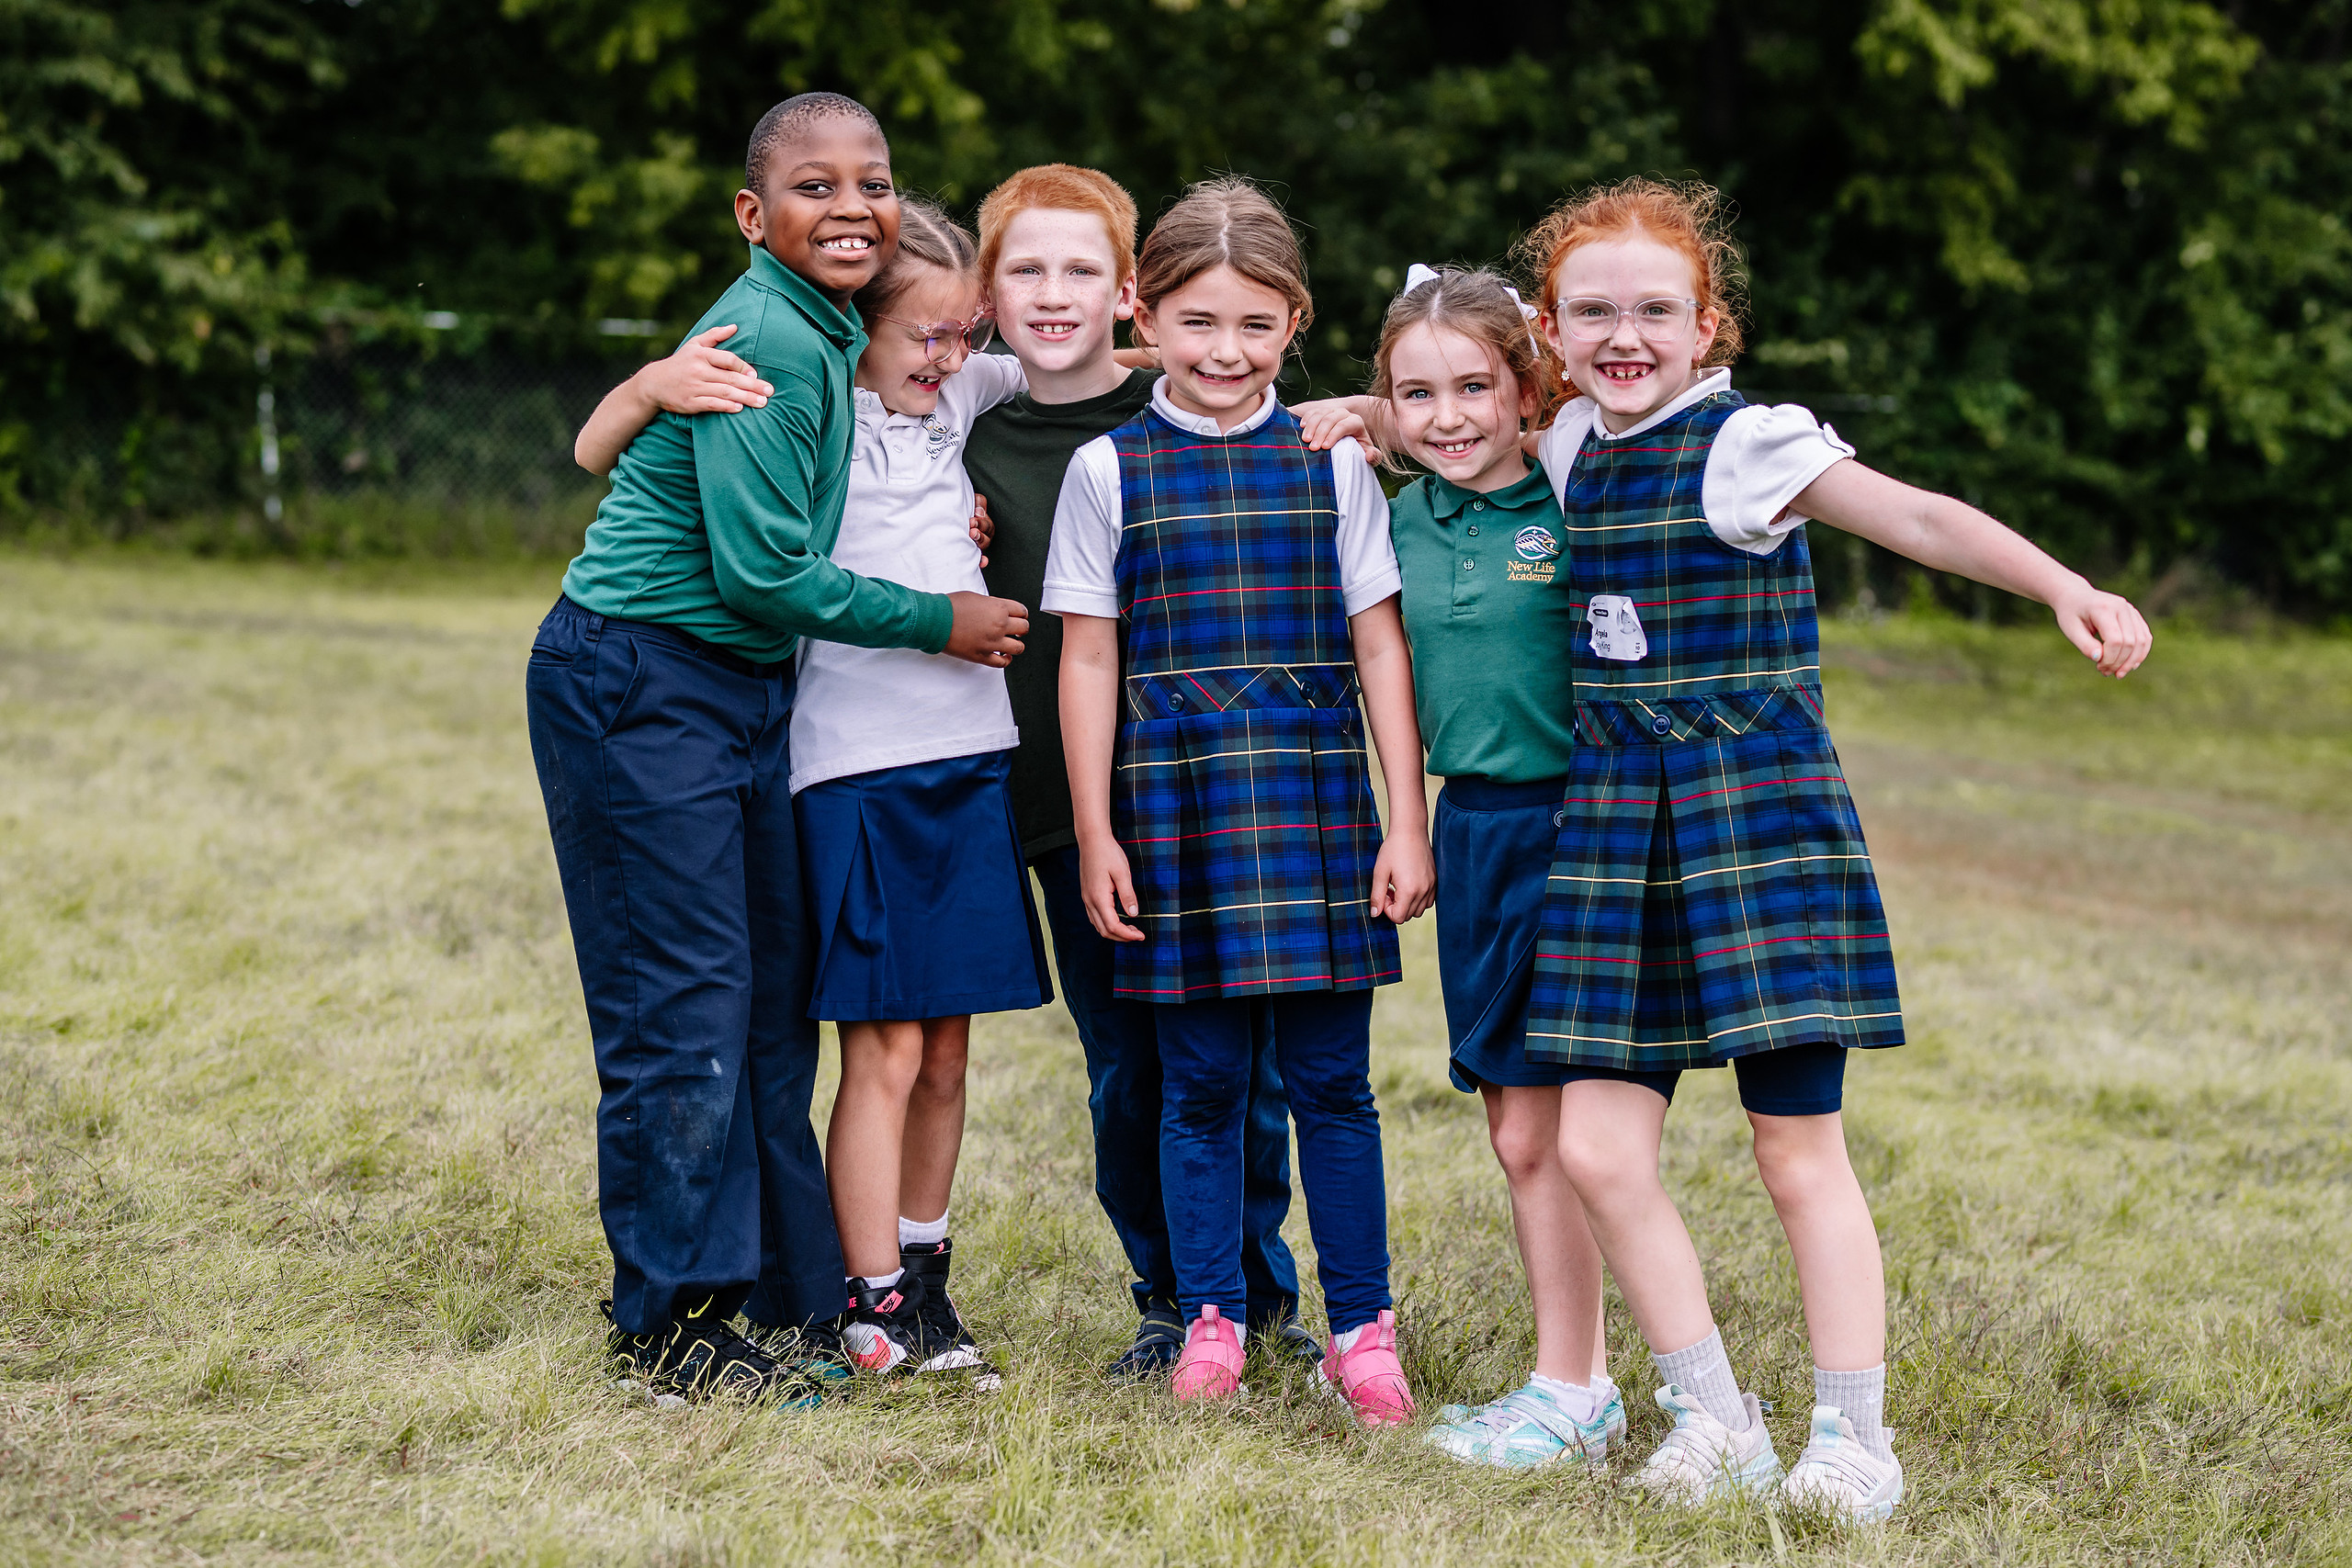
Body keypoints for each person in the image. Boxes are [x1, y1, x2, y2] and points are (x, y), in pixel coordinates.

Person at [1516, 177, 2152, 1517]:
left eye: (1655, 311)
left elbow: (1915, 516)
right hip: (1617, 831)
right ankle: (1713, 1419)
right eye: (1593, 312)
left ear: (1709, 329)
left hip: (1755, 828)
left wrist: (2064, 587)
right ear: (1551, 332)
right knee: (1597, 1151)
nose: (1623, 334)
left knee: (1794, 1150)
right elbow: (1433, 406)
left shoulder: (1749, 445)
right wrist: (1341, 419)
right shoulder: (1568, 439)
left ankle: (1854, 1440)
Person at [526, 92, 1030, 1404]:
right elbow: (760, 573)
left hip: (745, 696)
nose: (853, 205)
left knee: (763, 1012)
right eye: (816, 186)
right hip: (644, 679)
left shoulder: (828, 331)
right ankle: (670, 1323)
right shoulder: (765, 334)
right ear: (756, 214)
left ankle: (784, 1285)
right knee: (681, 1008)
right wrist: (943, 619)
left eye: (875, 180)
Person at [1045, 178, 1436, 1425]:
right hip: (1176, 811)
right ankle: (1210, 1315)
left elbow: (1381, 645)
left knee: (1333, 1084)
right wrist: (1098, 828)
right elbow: (1090, 656)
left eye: (1257, 328)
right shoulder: (1106, 470)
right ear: (1141, 315)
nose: (1227, 352)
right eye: (1199, 323)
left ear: (1294, 324)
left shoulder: (1330, 466)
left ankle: (1363, 1328)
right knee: (1199, 1084)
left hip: (1316, 805)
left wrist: (1406, 818)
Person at [961, 164, 1317, 1377]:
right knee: (1128, 1063)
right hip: (1068, 806)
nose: (1051, 295)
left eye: (1079, 271)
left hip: (1217, 792)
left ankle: (1260, 1295)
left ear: (1130, 295)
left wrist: (1362, 412)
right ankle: (1168, 1296)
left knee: (1242, 1059)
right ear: (987, 291)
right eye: (1024, 269)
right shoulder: (965, 427)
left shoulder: (1188, 405)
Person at [1295, 265, 1624, 1466]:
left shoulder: (1571, 479)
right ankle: (1575, 1383)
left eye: (1475, 387)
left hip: (1589, 826)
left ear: (1523, 386)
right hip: (1476, 825)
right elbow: (1236, 404)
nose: (1447, 416)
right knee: (1515, 1131)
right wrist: (1410, 824)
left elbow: (1597, 398)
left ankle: (1574, 1385)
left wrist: (1387, 409)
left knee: (1576, 1133)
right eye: (1415, 393)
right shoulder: (1392, 511)